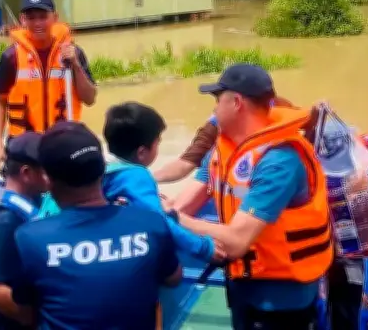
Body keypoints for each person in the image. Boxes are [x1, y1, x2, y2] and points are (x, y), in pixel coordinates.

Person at [168, 63, 334, 330]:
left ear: (236, 102)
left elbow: (235, 242)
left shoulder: (279, 160)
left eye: (217, 99)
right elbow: (186, 202)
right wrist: (150, 204)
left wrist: (175, 217)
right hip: (241, 280)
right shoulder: (224, 150)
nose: (213, 108)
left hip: (281, 295)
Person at [10, 122, 182, 330]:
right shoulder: (151, 224)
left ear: (47, 178)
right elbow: (173, 277)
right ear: (103, 170)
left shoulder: (29, 238)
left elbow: (25, 308)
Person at [101, 101, 222, 263]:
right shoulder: (136, 177)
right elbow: (160, 222)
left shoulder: (103, 167)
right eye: (158, 142)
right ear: (142, 152)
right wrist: (204, 248)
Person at [0, 0, 98, 172]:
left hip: (62, 144)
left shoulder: (73, 53)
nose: (37, 23)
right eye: (31, 17)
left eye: (43, 16)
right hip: (23, 146)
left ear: (54, 17)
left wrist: (76, 66)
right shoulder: (11, 57)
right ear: (22, 20)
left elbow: (90, 99)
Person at [0, 132, 48, 330]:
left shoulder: (3, 189)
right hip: (6, 319)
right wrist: (30, 318)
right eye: (47, 170)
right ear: (26, 173)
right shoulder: (5, 220)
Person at [152, 97, 300, 184]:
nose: (216, 109)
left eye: (220, 100)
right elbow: (185, 164)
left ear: (237, 103)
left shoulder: (282, 112)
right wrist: (143, 179)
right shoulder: (216, 131)